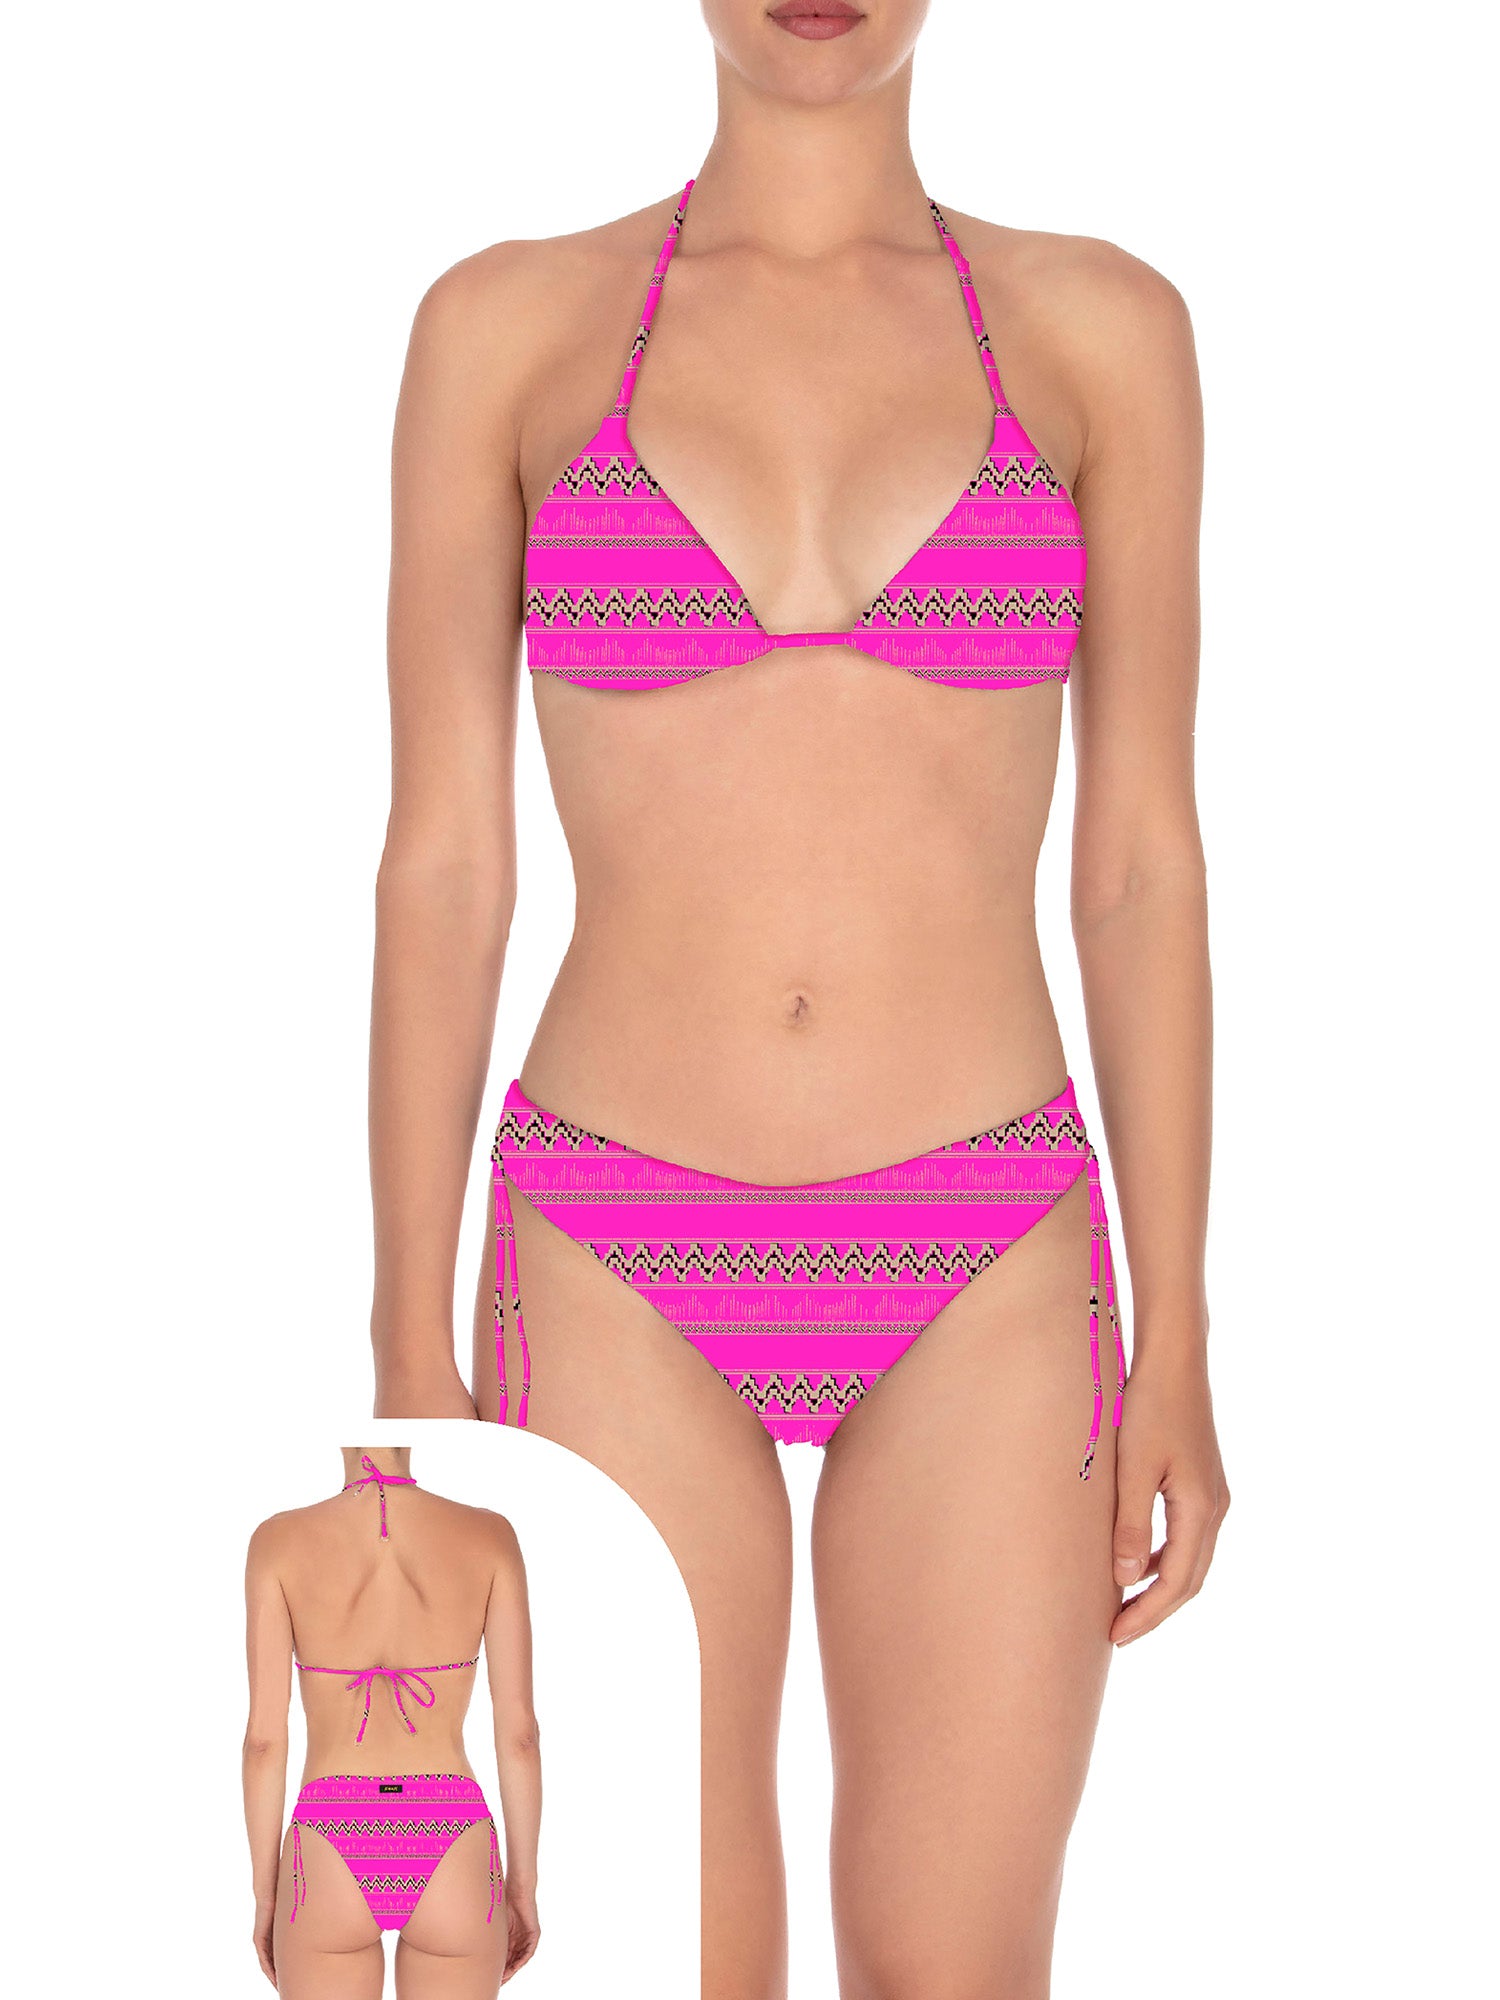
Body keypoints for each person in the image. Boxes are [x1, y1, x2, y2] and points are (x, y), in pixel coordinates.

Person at [370, 3, 1227, 1992]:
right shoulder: (506, 328)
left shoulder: (1102, 332)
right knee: (669, 1962)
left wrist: (1180, 1326)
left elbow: (1141, 867)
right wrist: (404, 1333)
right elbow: (445, 866)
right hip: (613, 1243)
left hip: (987, 1246)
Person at [243, 1447, 542, 1994]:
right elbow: (520, 1735)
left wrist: (267, 1896)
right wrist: (522, 1888)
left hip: (329, 1837)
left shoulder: (278, 1541)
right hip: (452, 1834)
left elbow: (264, 1742)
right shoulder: (490, 1535)